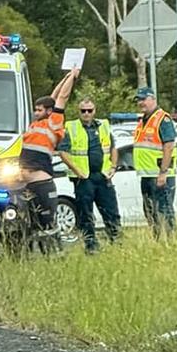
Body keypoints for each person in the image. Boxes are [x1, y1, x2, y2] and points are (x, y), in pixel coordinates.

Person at [19, 68, 79, 236]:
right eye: (35, 109)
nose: (35, 113)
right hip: (28, 183)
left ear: (49, 112)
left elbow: (62, 98)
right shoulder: (36, 124)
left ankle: (54, 254)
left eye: (39, 110)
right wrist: (65, 77)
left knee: (47, 227)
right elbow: (53, 96)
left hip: (41, 183)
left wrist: (73, 76)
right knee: (31, 227)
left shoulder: (54, 122)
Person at [58, 98, 121, 252]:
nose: (86, 113)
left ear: (94, 111)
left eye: (89, 110)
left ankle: (117, 242)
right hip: (84, 179)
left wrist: (113, 167)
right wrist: (77, 171)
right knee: (85, 214)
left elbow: (113, 147)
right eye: (83, 111)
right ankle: (91, 246)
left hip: (102, 177)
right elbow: (63, 152)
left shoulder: (103, 126)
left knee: (111, 211)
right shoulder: (71, 127)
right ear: (78, 111)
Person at [134, 86, 177, 238]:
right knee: (150, 212)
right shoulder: (143, 120)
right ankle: (158, 240)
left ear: (153, 99)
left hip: (160, 176)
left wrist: (163, 173)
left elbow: (169, 146)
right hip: (147, 175)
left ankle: (171, 241)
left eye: (143, 99)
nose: (141, 103)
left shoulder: (162, 119)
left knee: (164, 211)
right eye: (139, 100)